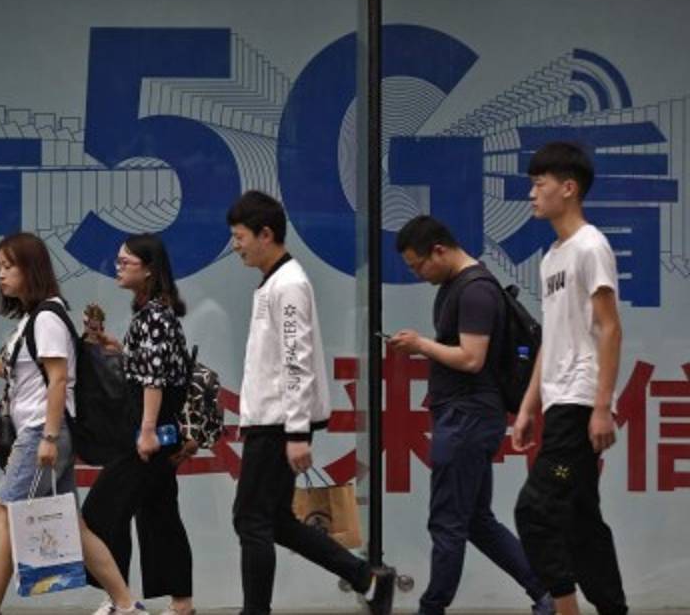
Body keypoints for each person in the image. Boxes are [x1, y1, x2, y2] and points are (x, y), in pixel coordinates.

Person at [226, 190, 396, 615]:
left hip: (278, 422)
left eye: (240, 236)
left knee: (251, 520)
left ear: (266, 234)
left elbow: (296, 358)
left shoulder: (289, 284)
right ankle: (367, 579)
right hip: (273, 419)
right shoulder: (276, 282)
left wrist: (297, 432)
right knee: (275, 521)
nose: (235, 246)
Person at [0, 232, 147, 615]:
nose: (1, 275)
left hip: (42, 432)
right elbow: (34, 378)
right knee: (72, 525)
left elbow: (59, 380)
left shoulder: (46, 317)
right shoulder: (37, 317)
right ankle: (127, 605)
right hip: (46, 431)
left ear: (31, 269)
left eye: (9, 266)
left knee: (4, 515)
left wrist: (47, 437)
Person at [389, 215, 554, 615]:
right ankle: (546, 592)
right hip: (468, 415)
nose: (417, 274)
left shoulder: (475, 291)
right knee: (476, 520)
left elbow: (471, 358)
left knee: (447, 522)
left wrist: (421, 345)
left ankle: (432, 607)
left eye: (418, 265)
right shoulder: (458, 286)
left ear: (439, 250)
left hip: (466, 417)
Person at [512, 142, 628, 615]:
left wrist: (602, 406)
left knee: (535, 510)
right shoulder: (552, 258)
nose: (532, 194)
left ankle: (565, 609)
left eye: (539, 184)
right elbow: (553, 339)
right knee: (581, 521)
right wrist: (527, 407)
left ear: (568, 188)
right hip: (558, 400)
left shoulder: (590, 246)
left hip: (580, 402)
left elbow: (610, 327)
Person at [81, 233, 196, 615]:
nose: (118, 267)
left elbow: (155, 380)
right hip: (156, 433)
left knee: (101, 512)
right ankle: (181, 605)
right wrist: (119, 348)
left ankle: (121, 601)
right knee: (159, 514)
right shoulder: (153, 314)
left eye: (125, 262)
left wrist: (146, 431)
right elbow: (151, 368)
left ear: (148, 270)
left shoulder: (156, 317)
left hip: (148, 435)